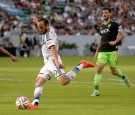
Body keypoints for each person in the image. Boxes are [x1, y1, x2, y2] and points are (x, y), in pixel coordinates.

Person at [27, 17, 95, 109]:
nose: (40, 29)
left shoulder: (49, 36)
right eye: (39, 27)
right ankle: (35, 104)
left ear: (47, 25)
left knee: (64, 81)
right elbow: (42, 26)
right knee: (38, 81)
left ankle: (82, 64)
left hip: (52, 60)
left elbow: (53, 48)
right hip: (47, 62)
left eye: (42, 27)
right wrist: (36, 22)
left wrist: (57, 62)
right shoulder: (49, 28)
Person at [91, 7, 131, 96]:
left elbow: (123, 34)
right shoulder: (101, 26)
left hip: (113, 51)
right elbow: (101, 39)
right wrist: (97, 51)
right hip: (102, 51)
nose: (104, 14)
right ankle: (96, 90)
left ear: (110, 14)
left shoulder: (115, 24)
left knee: (114, 71)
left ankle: (124, 77)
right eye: (103, 13)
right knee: (99, 68)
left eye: (106, 13)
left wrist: (115, 41)